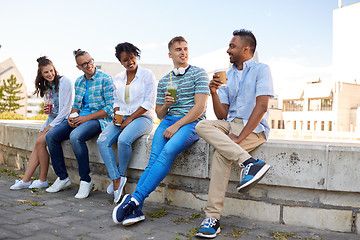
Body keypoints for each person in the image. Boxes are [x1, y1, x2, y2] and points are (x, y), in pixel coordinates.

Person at [112, 36, 210, 226]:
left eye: (185, 49)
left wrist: (176, 125)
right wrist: (166, 105)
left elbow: (199, 109)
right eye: (178, 49)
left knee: (167, 152)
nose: (183, 52)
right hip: (168, 122)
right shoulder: (165, 80)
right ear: (170, 54)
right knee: (153, 160)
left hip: (190, 123)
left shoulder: (199, 73)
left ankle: (134, 199)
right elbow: (159, 114)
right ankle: (137, 209)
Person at [195, 29, 274, 238]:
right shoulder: (227, 75)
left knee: (222, 154)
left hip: (253, 128)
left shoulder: (261, 70)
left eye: (232, 46)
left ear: (246, 49)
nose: (228, 50)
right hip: (230, 124)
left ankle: (212, 217)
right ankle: (249, 163)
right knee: (201, 126)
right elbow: (222, 115)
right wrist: (213, 92)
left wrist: (239, 138)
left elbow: (262, 106)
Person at [45, 49, 114, 199]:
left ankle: (85, 180)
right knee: (51, 136)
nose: (89, 65)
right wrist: (71, 116)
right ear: (79, 67)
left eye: (90, 61)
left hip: (98, 120)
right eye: (84, 64)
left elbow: (109, 108)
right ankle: (62, 178)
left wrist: (85, 118)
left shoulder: (106, 79)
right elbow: (76, 105)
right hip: (80, 118)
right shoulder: (79, 82)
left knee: (76, 136)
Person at [97, 42, 156, 203]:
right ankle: (116, 179)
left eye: (131, 58)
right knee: (102, 141)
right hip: (122, 118)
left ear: (135, 56)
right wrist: (117, 115)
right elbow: (115, 100)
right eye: (125, 60)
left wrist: (130, 119)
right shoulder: (118, 78)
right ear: (120, 62)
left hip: (143, 118)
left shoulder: (147, 75)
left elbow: (148, 103)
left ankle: (121, 176)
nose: (130, 62)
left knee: (124, 140)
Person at [10, 56, 73, 190]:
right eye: (46, 72)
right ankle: (27, 180)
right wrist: (47, 110)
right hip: (52, 119)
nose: (50, 74)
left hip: (63, 119)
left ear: (54, 69)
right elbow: (51, 108)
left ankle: (41, 179)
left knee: (40, 142)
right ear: (41, 74)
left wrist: (52, 125)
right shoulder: (44, 86)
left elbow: (66, 109)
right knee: (38, 144)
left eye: (51, 71)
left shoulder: (65, 82)